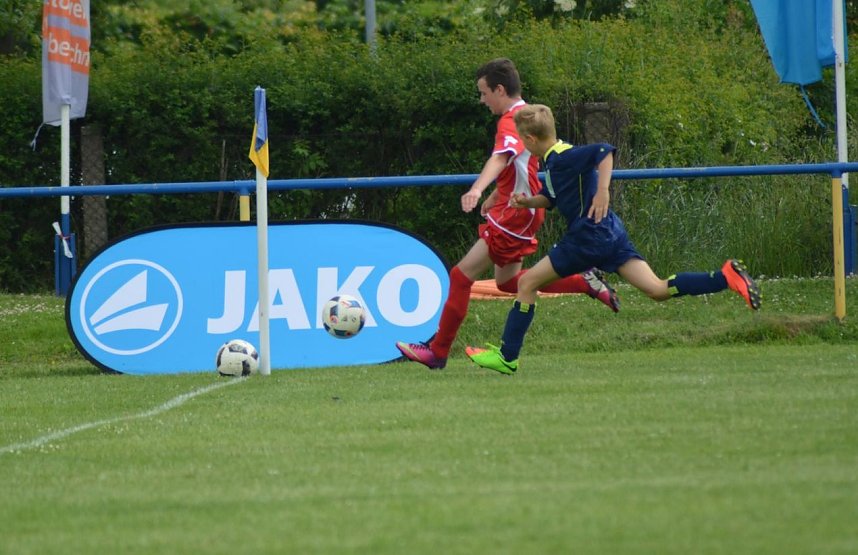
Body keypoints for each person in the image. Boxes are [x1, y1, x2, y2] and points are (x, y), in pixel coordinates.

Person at [466, 104, 762, 375]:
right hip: (610, 232)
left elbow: (605, 151)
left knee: (527, 283)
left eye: (521, 139)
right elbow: (554, 197)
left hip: (587, 237)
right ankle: (725, 277)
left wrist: (603, 191)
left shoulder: (564, 156)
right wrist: (527, 202)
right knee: (657, 289)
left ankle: (507, 356)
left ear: (530, 140)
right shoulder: (555, 160)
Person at [396, 58, 620, 370]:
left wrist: (476, 189)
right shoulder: (527, 113)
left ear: (500, 89)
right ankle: (584, 282)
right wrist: (493, 195)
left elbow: (502, 159)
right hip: (516, 208)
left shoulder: (512, 120)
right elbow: (520, 167)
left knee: (460, 277)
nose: (482, 99)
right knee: (506, 283)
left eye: (484, 92)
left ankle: (438, 352)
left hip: (515, 215)